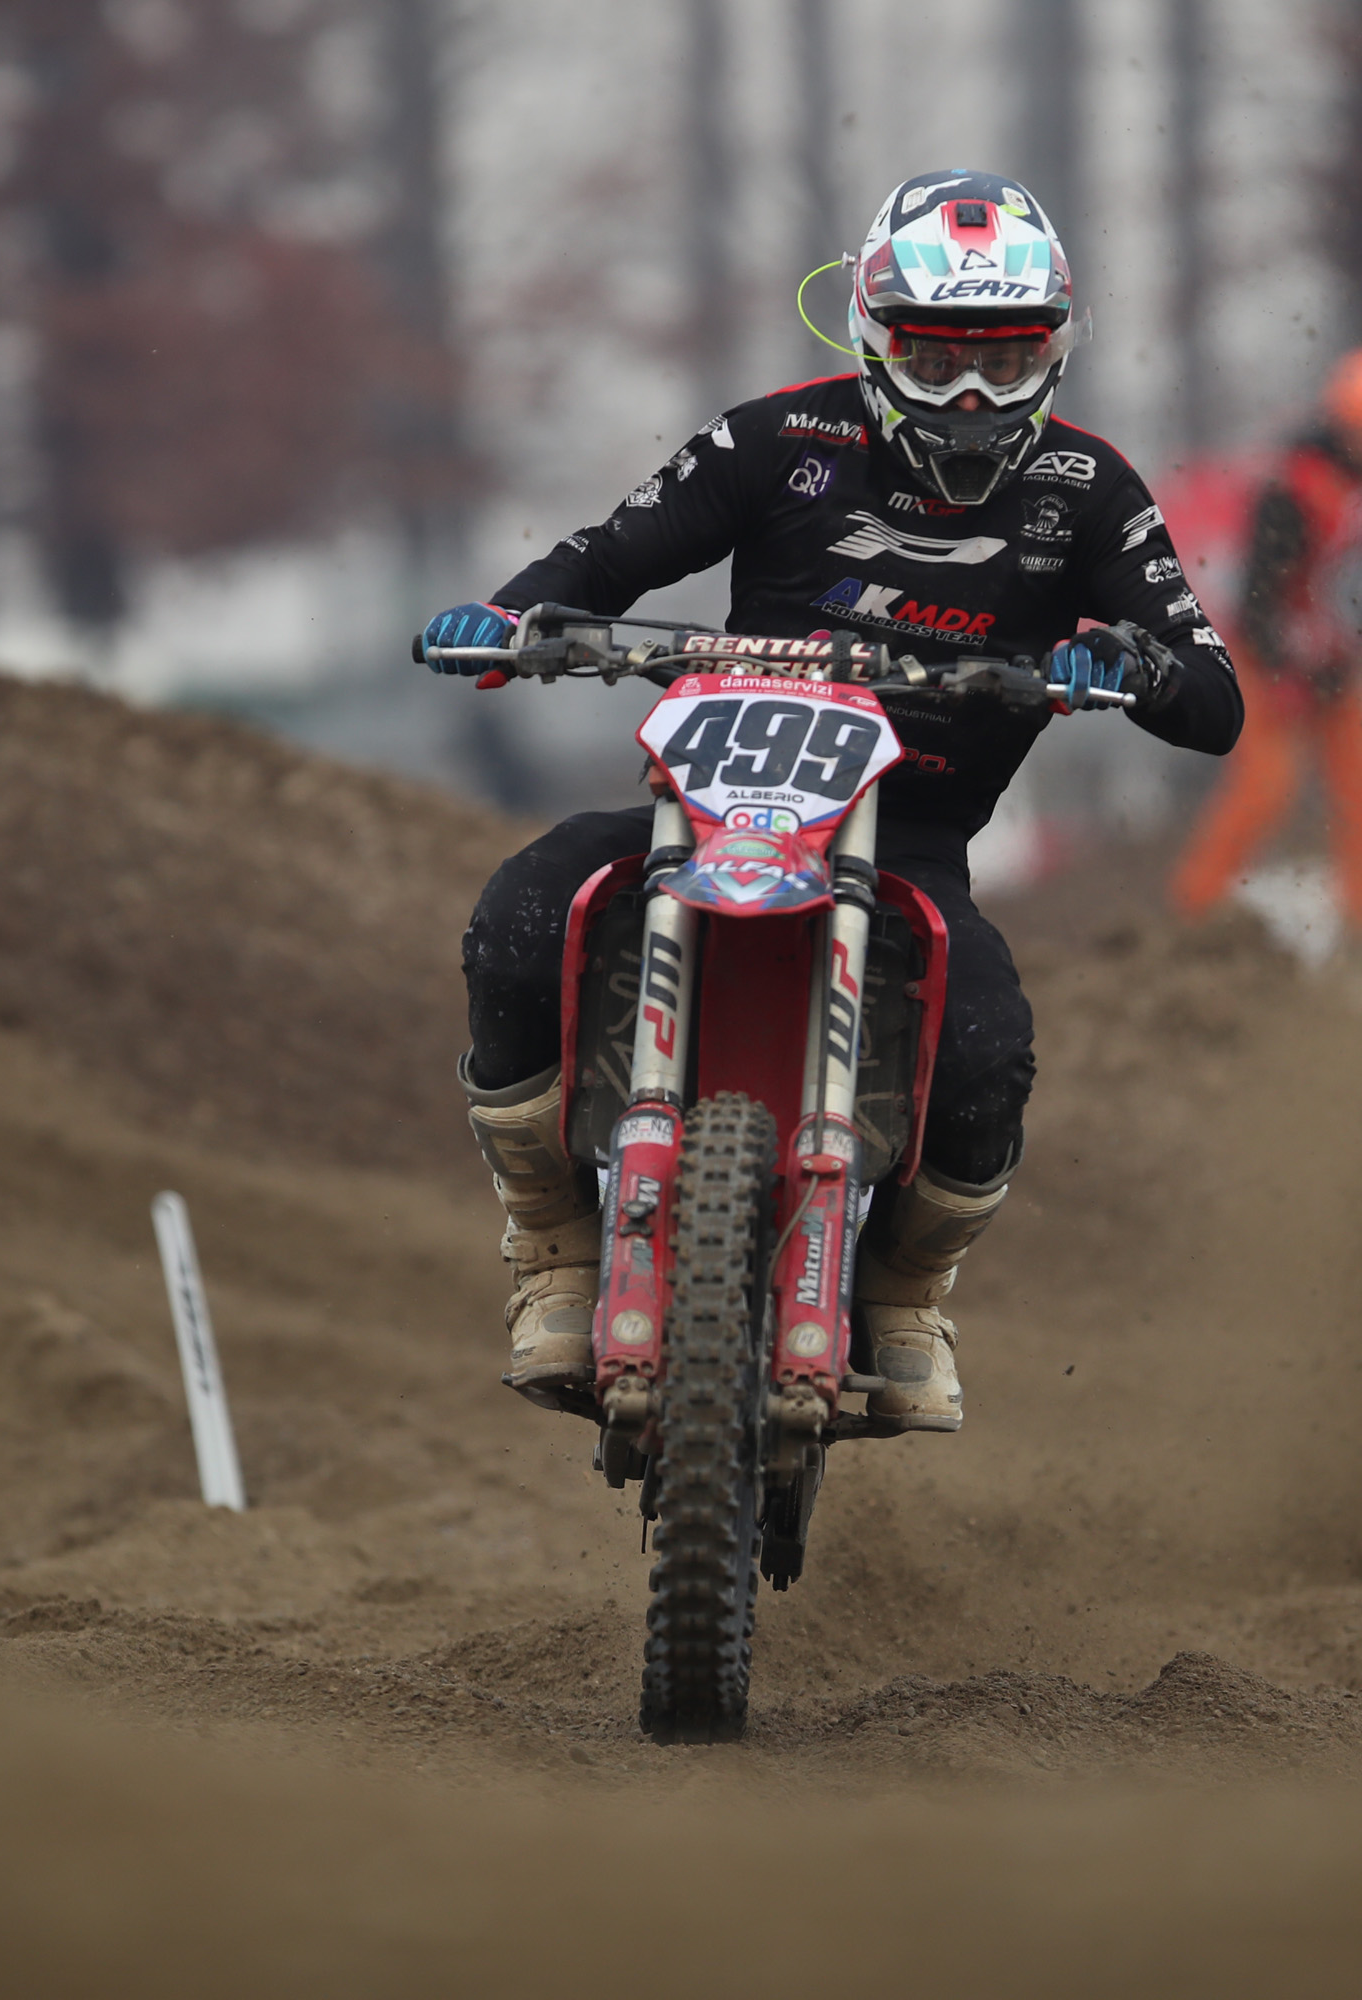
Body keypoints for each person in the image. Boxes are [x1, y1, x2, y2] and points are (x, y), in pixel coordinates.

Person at [417, 171, 1241, 1432]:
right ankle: (554, 1246)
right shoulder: (775, 440)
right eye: (936, 358)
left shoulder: (1091, 491)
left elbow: (1216, 698)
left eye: (1005, 360)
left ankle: (906, 1294)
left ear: (1055, 349)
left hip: (909, 839)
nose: (971, 397)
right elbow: (608, 556)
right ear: (872, 333)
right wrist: (512, 615)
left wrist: (1134, 665)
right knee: (523, 919)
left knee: (987, 1054)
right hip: (719, 797)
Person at [1168, 345, 1362, 930]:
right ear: (1348, 424)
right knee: (1267, 787)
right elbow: (1257, 594)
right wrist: (1279, 669)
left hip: (1337, 662)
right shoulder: (1291, 487)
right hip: (1271, 659)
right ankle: (1196, 906)